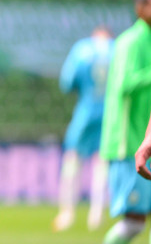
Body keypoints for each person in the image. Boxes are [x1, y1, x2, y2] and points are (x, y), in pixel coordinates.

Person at [100, 0, 151, 244]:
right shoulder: (129, 42)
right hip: (129, 143)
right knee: (133, 222)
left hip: (147, 139)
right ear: (139, 8)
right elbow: (123, 86)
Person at [52, 26, 113, 232]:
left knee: (72, 159)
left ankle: (67, 213)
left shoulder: (82, 49)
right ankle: (97, 215)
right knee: (102, 162)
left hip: (86, 111)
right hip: (110, 113)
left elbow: (67, 83)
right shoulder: (117, 49)